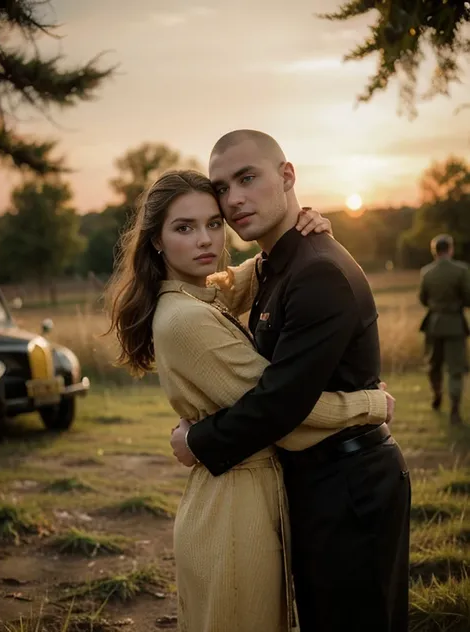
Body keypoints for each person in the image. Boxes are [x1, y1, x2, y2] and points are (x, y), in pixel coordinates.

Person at [106, 169, 393, 632]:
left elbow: (253, 273)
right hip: (233, 512)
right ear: (156, 241)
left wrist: (302, 232)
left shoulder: (200, 293)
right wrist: (371, 405)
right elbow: (284, 412)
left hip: (245, 494)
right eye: (184, 228)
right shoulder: (185, 319)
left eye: (214, 224)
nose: (206, 240)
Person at [171, 131, 411, 632]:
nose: (233, 198)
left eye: (247, 177)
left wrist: (198, 439)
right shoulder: (276, 264)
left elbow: (281, 405)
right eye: (222, 187)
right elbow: (225, 291)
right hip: (313, 481)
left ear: (287, 175)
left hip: (350, 488)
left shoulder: (316, 271)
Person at [419, 233, 470, 425]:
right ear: (450, 249)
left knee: (434, 365)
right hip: (455, 324)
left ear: (434, 251)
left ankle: (437, 395)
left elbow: (423, 299)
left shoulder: (426, 272)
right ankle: (455, 410)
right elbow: (468, 296)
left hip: (433, 324)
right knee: (455, 369)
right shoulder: (461, 270)